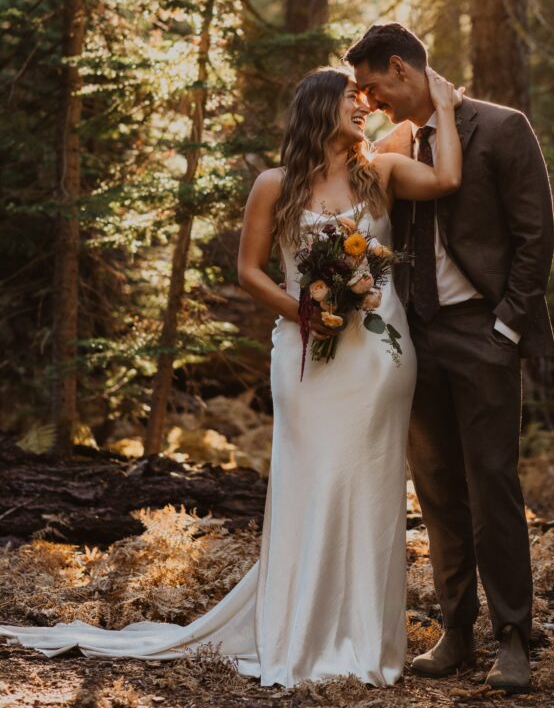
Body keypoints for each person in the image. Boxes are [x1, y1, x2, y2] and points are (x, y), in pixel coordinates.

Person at [0, 64, 463, 689]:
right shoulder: (275, 184)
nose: (364, 106)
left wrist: (443, 105)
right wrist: (304, 311)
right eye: (351, 98)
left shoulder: (378, 170)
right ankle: (300, 631)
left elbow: (448, 178)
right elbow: (249, 272)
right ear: (319, 109)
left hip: (380, 356)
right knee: (311, 481)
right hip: (304, 353)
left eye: (365, 99)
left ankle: (364, 636)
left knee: (371, 489)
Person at [345, 22, 554, 694]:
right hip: (413, 338)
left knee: (492, 482)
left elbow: (534, 238)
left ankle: (514, 638)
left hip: (481, 333)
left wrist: (508, 328)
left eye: (376, 88)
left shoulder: (502, 128)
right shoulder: (395, 145)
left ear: (402, 69)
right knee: (436, 491)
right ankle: (457, 631)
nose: (371, 102)